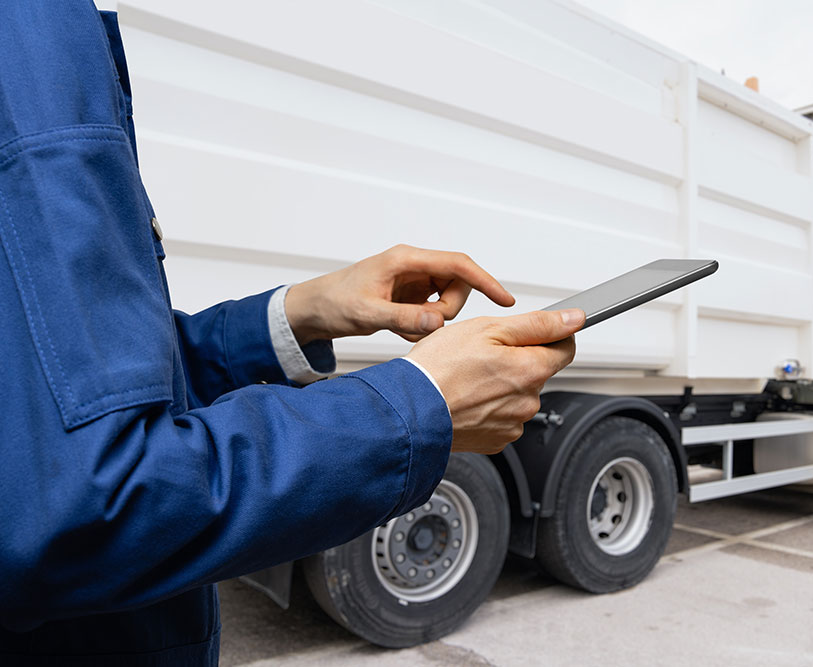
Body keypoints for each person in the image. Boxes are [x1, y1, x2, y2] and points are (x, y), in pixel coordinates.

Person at [0, 3, 583, 665]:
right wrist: (420, 405)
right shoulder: (26, 33)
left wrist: (298, 313)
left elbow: (56, 406)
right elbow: (86, 506)